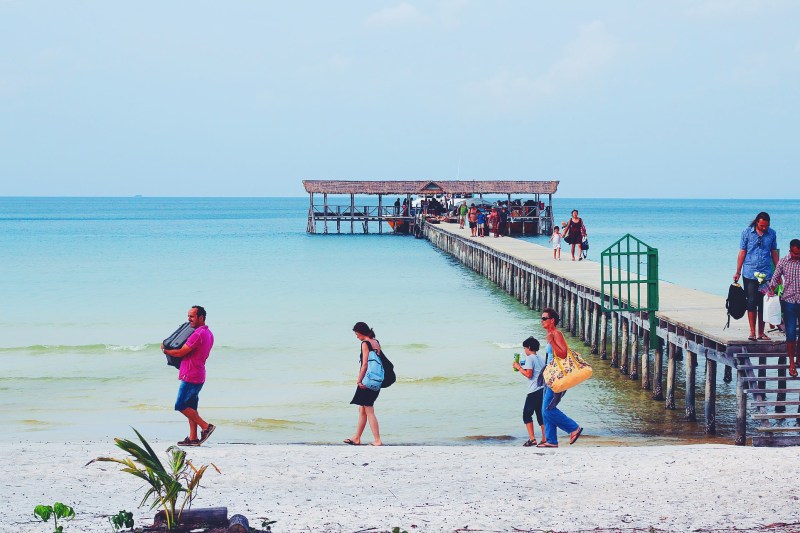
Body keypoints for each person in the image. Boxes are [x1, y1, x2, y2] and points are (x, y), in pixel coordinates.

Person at [161, 306, 216, 447]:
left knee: (181, 405)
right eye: (188, 316)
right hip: (199, 373)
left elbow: (180, 352)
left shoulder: (197, 335)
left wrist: (165, 349)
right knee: (191, 407)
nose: (189, 319)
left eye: (192, 316)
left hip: (191, 374)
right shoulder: (209, 333)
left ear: (201, 318)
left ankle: (206, 427)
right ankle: (193, 438)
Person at [537, 308, 583, 448]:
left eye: (545, 318)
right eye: (542, 318)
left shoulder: (557, 334)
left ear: (552, 320)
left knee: (547, 409)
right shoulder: (551, 334)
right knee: (545, 408)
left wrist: (551, 342)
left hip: (557, 376)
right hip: (550, 375)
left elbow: (563, 354)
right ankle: (551, 441)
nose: (542, 321)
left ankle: (573, 428)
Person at [734, 212, 779, 341]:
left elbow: (774, 252)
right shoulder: (747, 232)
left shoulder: (772, 233)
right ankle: (752, 332)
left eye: (766, 226)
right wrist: (737, 271)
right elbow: (742, 252)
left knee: (763, 303)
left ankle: (761, 332)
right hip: (750, 272)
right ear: (756, 223)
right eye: (762, 226)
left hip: (766, 273)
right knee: (751, 301)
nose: (764, 228)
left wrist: (778, 271)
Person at [344, 321, 384, 446]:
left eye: (357, 334)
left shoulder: (365, 343)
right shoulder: (376, 342)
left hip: (367, 380)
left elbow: (365, 364)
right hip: (376, 380)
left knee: (369, 409)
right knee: (362, 409)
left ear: (361, 333)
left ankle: (377, 440)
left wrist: (359, 380)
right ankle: (357, 438)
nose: (357, 337)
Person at [767, 239, 800, 376]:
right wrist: (771, 290)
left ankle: (799, 357)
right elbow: (775, 277)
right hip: (789, 301)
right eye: (795, 254)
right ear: (790, 250)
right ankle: (791, 363)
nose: (797, 256)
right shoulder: (784, 261)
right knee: (791, 333)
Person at [512, 336, 546, 446]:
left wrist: (519, 367)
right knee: (540, 415)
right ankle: (545, 438)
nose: (524, 350)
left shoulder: (530, 358)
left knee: (526, 415)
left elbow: (529, 374)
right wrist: (523, 367)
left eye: (525, 348)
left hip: (534, 391)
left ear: (529, 347)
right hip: (542, 389)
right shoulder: (540, 358)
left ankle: (532, 439)